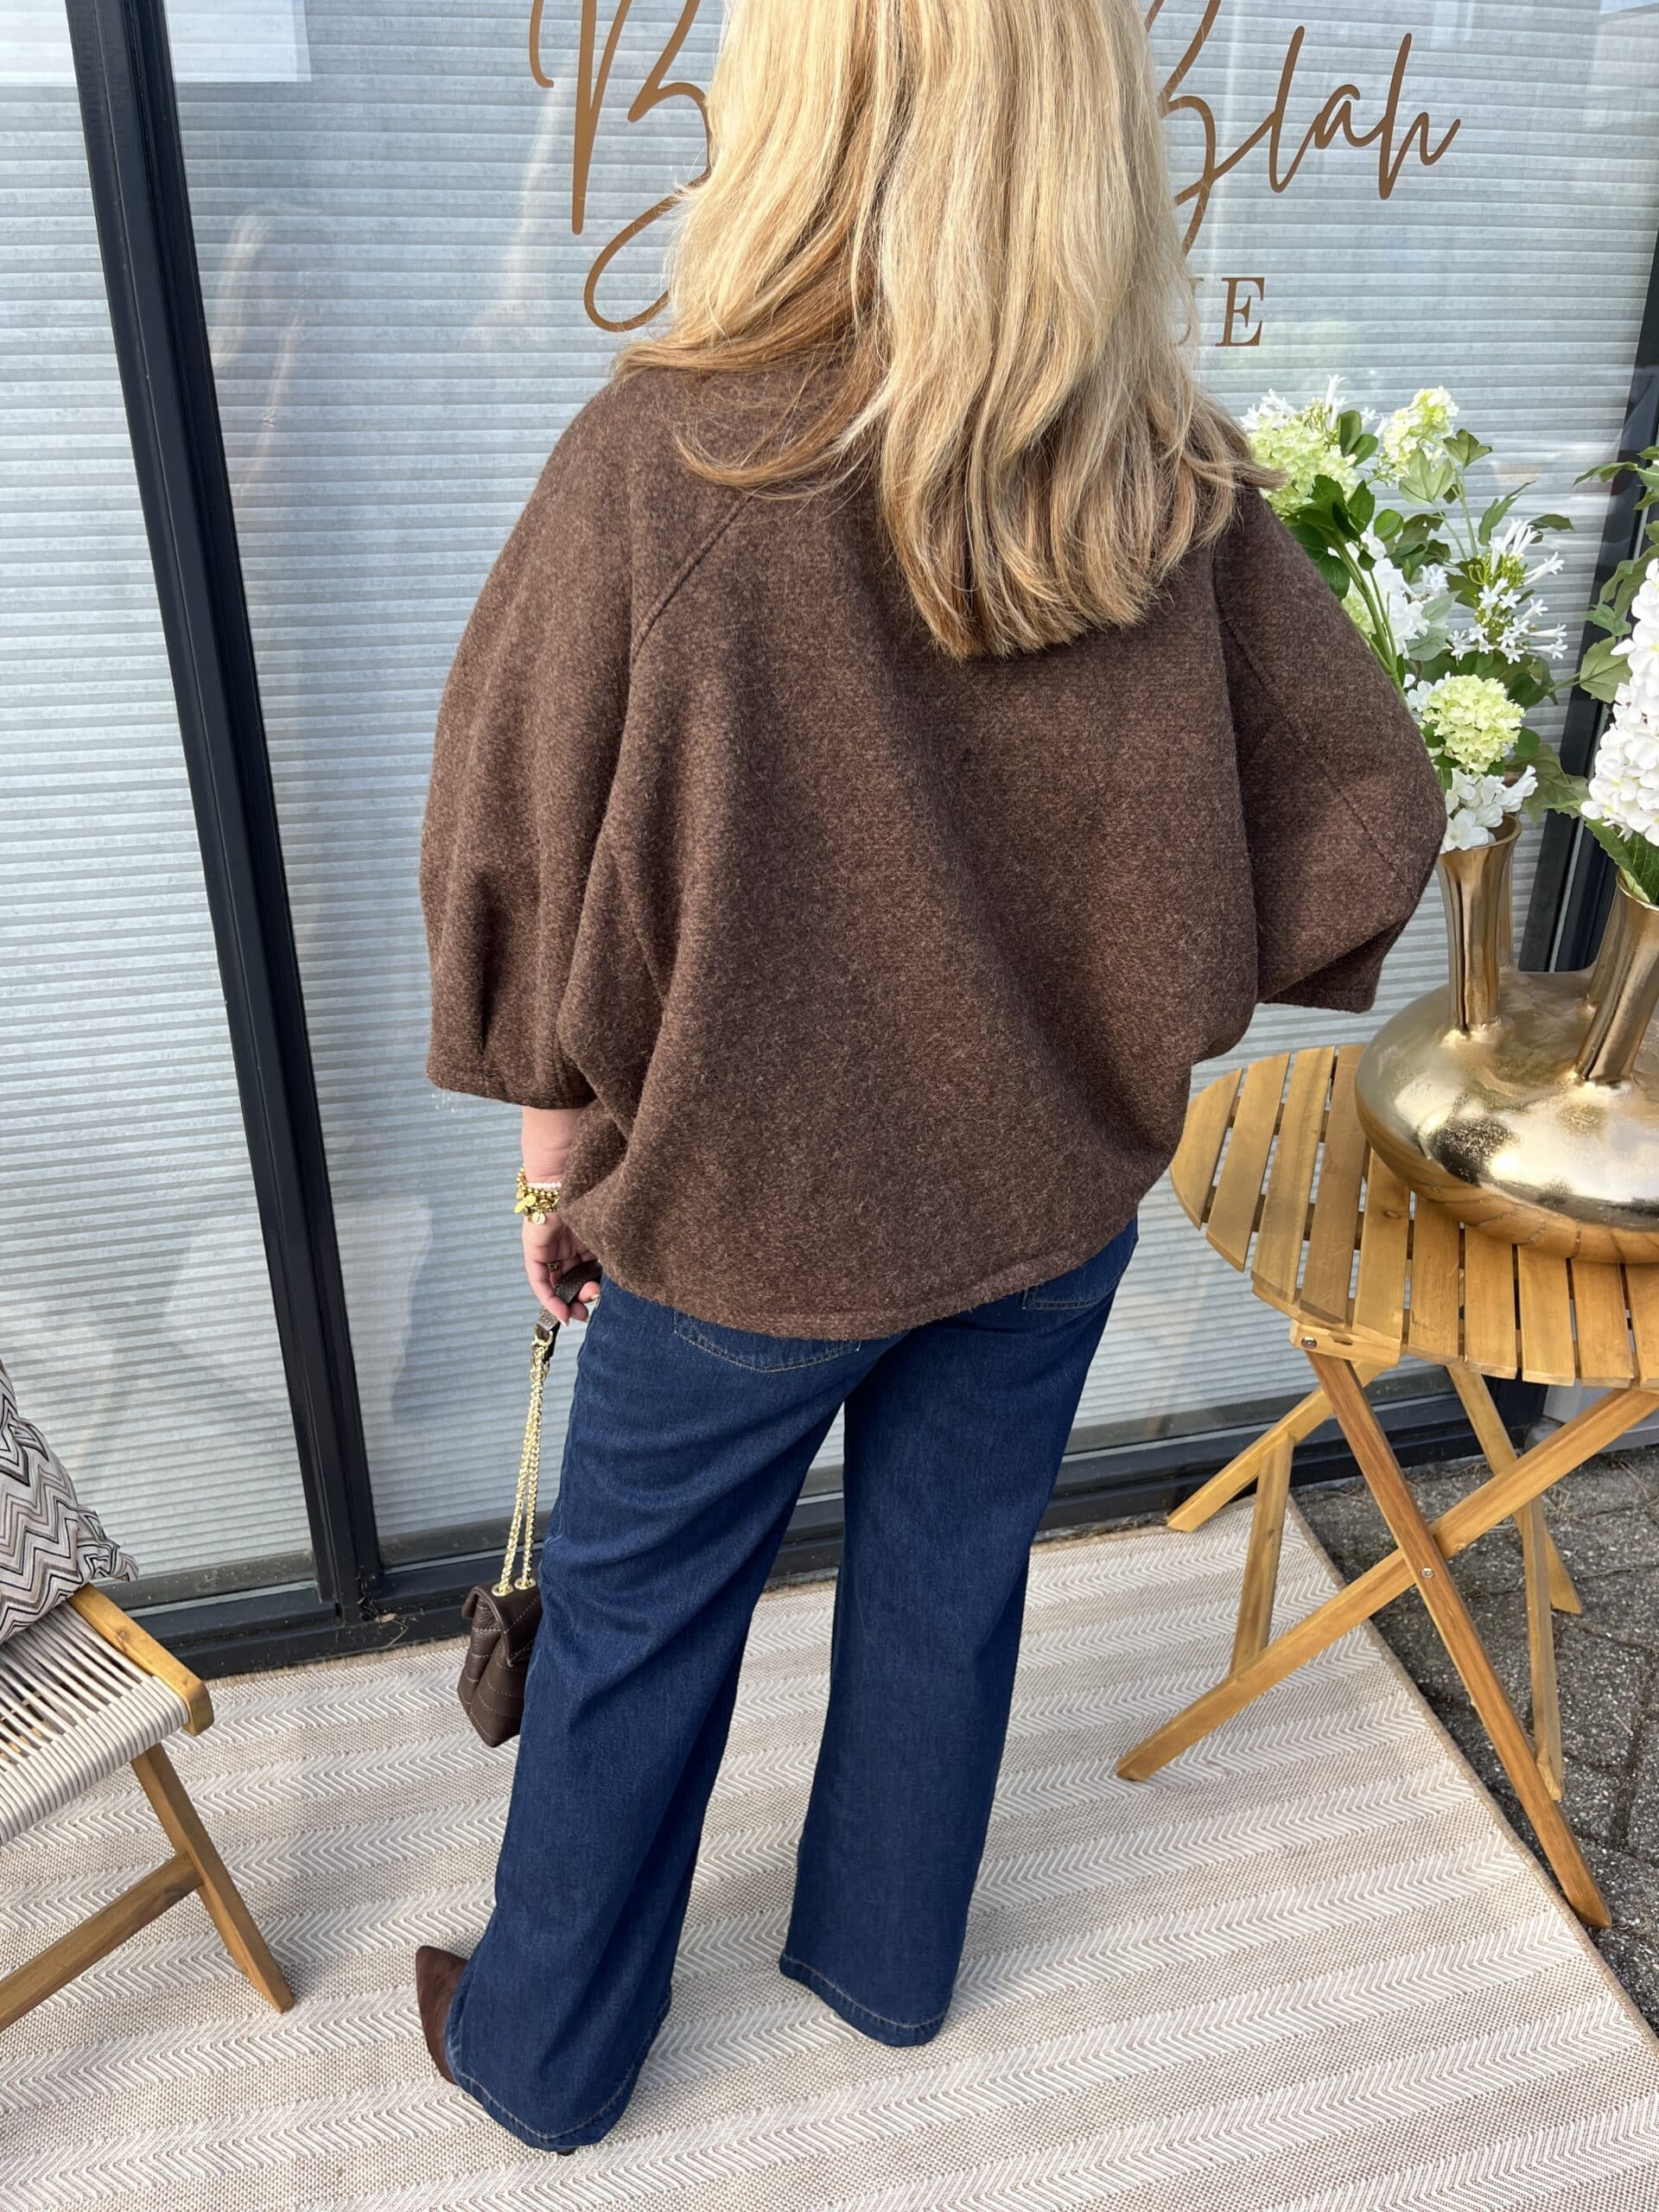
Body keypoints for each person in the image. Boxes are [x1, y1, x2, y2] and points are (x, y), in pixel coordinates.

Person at [413, 0, 1446, 2154]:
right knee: (949, 1587)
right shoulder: (1159, 470)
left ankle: (542, 2050)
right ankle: (885, 1965)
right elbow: (1362, 800)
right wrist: (1142, 978)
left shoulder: (670, 460)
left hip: (744, 1220)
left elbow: (521, 835)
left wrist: (552, 1157)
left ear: (805, 95)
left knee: (634, 1624)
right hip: (1046, 1198)